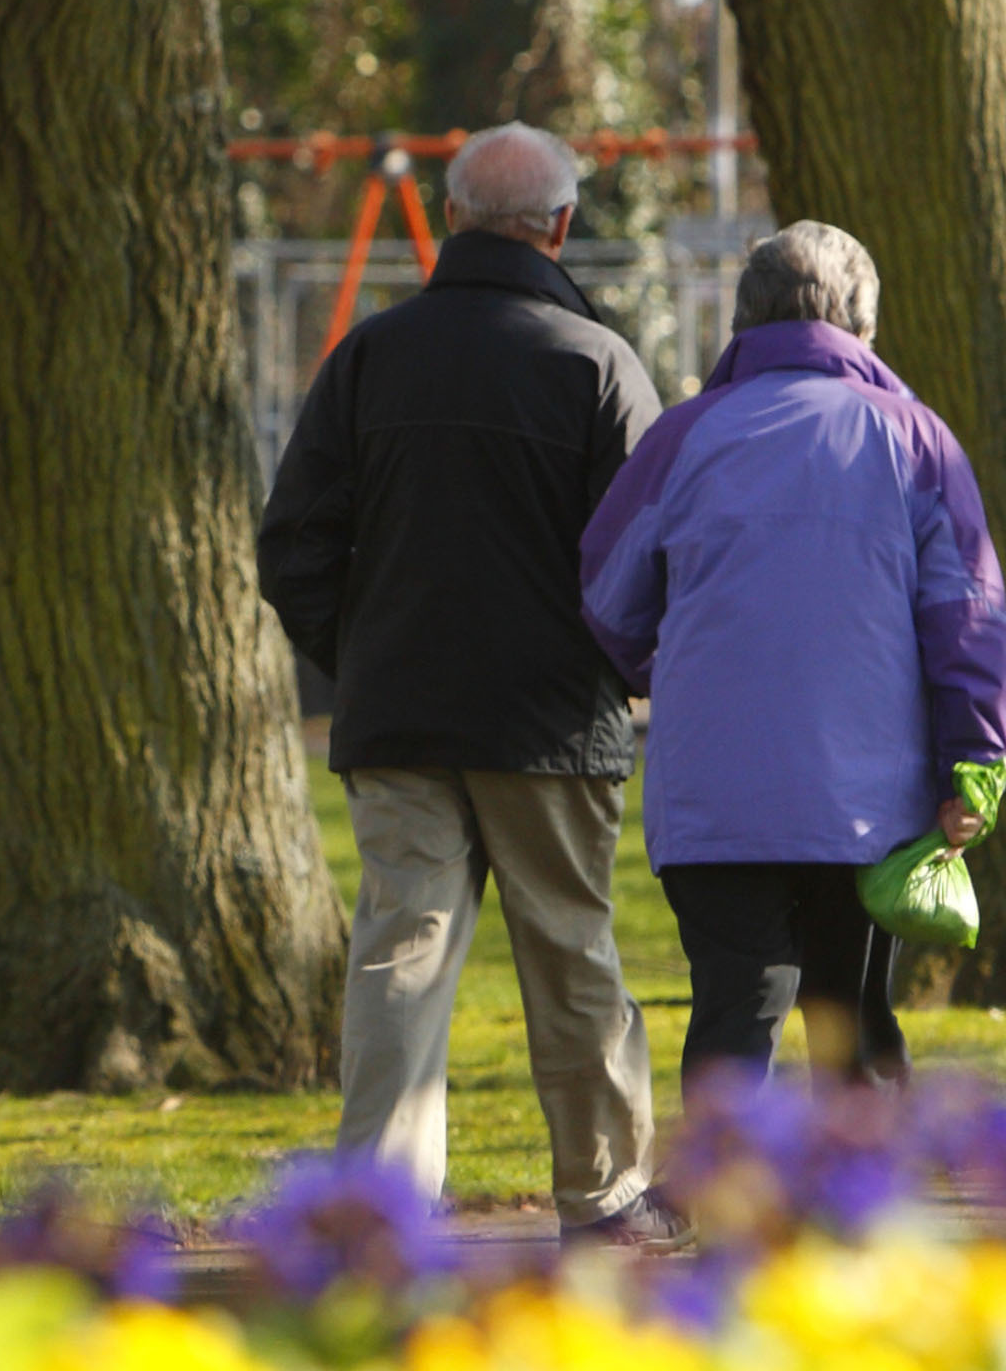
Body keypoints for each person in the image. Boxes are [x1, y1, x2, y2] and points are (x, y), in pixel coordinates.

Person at [257, 122, 686, 1249]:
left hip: (400, 712)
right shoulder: (596, 364)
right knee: (573, 955)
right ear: (560, 224)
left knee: (401, 958)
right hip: (551, 720)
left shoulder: (367, 357)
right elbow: (652, 552)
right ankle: (602, 1197)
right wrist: (615, 669)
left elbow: (294, 539)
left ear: (449, 218)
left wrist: (359, 655)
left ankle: (380, 1215)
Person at [579, 220, 1006, 1095]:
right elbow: (966, 611)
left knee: (734, 1003)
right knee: (846, 1009)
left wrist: (667, 673)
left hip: (713, 788)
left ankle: (720, 1202)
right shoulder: (916, 439)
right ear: (863, 327)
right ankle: (863, 1204)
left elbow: (608, 597)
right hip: (863, 790)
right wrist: (973, 759)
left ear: (745, 321)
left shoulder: (684, 434)